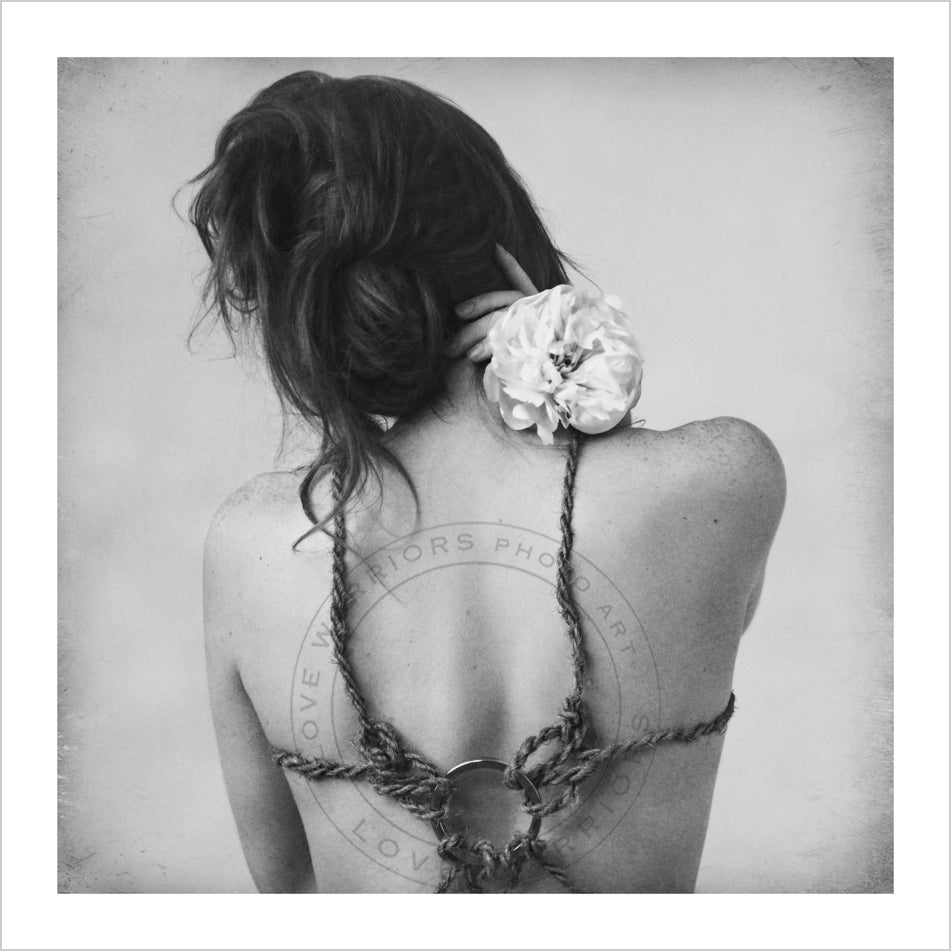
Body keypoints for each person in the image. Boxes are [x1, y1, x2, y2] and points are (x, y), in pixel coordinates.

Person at [190, 70, 785, 894]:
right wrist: (573, 367)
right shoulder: (721, 480)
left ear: (308, 315)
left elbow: (287, 885)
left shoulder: (251, 544)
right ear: (505, 240)